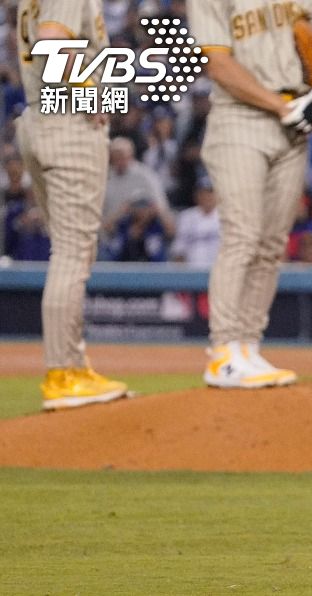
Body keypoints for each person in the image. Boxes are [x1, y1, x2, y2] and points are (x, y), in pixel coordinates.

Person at [190, 0, 312, 389]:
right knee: (243, 235)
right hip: (240, 118)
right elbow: (217, 63)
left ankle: (247, 345)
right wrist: (280, 106)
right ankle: (223, 351)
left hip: (293, 122)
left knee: (271, 243)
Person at [15, 0, 128, 409]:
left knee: (70, 250)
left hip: (39, 117)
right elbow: (51, 45)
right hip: (66, 119)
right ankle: (63, 373)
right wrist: (90, 92)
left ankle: (74, 366)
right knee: (72, 254)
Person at [102, 136, 174, 239]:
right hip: (112, 235)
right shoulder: (106, 177)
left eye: (122, 156)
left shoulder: (146, 175)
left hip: (145, 233)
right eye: (115, 157)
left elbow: (160, 207)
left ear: (131, 155)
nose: (119, 161)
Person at [170, 179, 221, 268]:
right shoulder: (186, 217)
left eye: (210, 193)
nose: (207, 197)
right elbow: (179, 251)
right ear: (196, 196)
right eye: (203, 193)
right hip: (192, 273)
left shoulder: (226, 217)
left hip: (219, 272)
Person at [104, 198, 172, 263]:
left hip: (152, 267)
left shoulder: (156, 224)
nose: (142, 211)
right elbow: (107, 227)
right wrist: (120, 212)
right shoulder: (125, 223)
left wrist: (159, 212)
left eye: (145, 208)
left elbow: (172, 232)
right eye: (139, 207)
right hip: (122, 265)